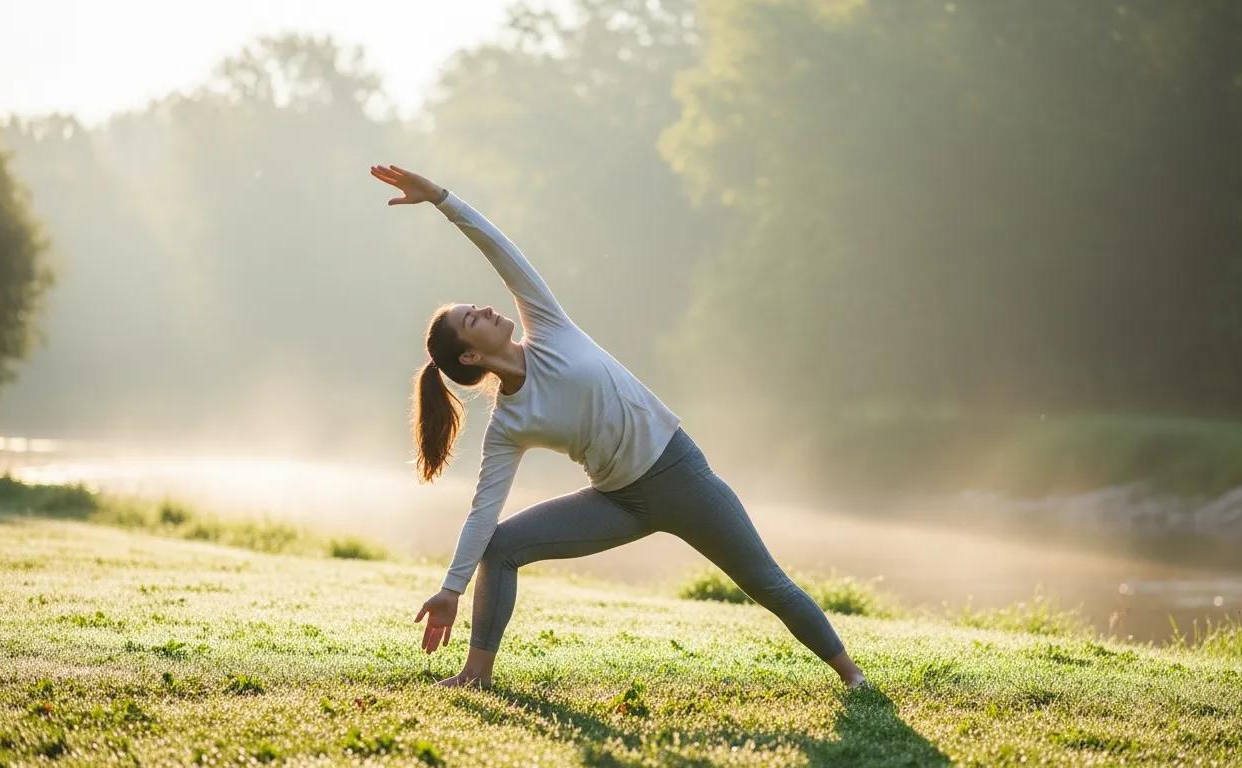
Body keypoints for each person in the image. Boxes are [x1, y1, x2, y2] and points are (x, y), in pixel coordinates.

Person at [369, 163, 868, 691]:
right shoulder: (509, 424)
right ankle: (476, 674)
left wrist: (441, 198)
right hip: (618, 502)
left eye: (476, 307)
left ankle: (853, 677)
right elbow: (482, 512)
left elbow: (499, 250)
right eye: (473, 319)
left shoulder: (549, 327)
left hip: (681, 476)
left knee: (766, 583)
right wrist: (452, 588)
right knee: (501, 546)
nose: (488, 309)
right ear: (470, 356)